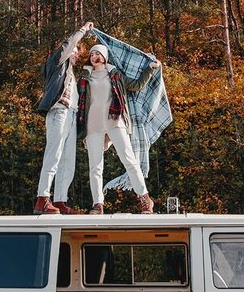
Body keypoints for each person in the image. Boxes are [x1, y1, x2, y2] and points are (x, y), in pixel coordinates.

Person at [77, 43, 161, 214]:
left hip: (115, 121)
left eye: (98, 53)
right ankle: (98, 204)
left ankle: (145, 199)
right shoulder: (85, 76)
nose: (94, 56)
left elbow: (137, 85)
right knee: (95, 166)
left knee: (129, 160)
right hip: (93, 124)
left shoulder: (115, 75)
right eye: (92, 54)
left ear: (105, 56)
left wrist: (150, 68)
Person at [34, 21, 94, 214]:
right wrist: (83, 30)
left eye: (77, 51)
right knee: (54, 154)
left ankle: (60, 200)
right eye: (73, 50)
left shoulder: (70, 73)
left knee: (68, 160)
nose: (75, 53)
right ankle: (42, 198)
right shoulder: (56, 62)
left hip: (71, 115)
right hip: (58, 111)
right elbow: (68, 45)